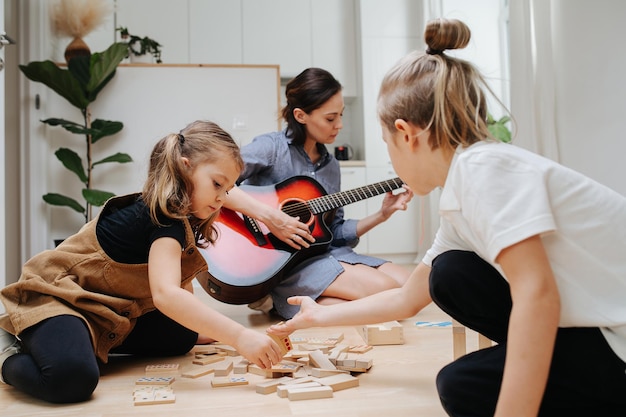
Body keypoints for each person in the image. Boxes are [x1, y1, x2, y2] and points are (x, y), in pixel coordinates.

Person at [269, 18, 626, 417]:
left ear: (406, 134)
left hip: (619, 340)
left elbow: (538, 295)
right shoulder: (463, 190)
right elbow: (408, 299)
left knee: (463, 386)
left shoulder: (485, 172)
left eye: (388, 145)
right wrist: (319, 315)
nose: (391, 158)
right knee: (450, 272)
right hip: (596, 328)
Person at [0, 120, 284, 404]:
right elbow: (166, 295)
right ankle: (6, 353)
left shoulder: (181, 216)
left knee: (184, 335)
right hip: (60, 296)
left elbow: (180, 287)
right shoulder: (160, 217)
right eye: (218, 185)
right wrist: (239, 336)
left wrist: (205, 329)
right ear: (184, 167)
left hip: (107, 308)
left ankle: (81, 342)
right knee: (72, 379)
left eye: (228, 189)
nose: (222, 198)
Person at [223, 67, 414, 319]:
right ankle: (280, 294)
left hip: (325, 253)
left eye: (341, 115)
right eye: (330, 118)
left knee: (409, 288)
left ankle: (288, 304)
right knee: (388, 293)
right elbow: (218, 185)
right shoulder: (270, 148)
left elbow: (334, 232)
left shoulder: (331, 166)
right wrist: (272, 217)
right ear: (301, 115)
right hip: (285, 262)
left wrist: (382, 214)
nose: (340, 125)